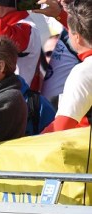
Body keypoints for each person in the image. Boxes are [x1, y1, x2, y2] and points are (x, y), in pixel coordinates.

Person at [46, 0, 92, 132]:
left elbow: (60, 127)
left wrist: (27, 145)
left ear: (76, 37)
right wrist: (60, 14)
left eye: (69, 31)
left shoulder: (83, 72)